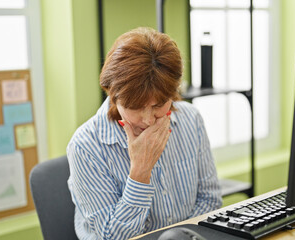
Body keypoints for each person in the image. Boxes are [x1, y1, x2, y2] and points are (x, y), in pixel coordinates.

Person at [67, 27, 222, 240]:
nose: (148, 120)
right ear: (113, 95)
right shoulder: (85, 146)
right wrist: (140, 172)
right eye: (137, 107)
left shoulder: (190, 120)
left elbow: (210, 201)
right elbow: (111, 238)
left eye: (159, 105)